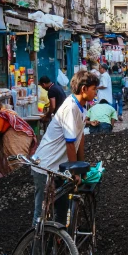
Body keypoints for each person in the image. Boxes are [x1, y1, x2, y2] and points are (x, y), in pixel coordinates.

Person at [30, 71, 99, 225]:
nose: (96, 93)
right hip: (45, 167)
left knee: (61, 211)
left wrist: (82, 169)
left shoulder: (81, 109)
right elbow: (70, 143)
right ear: (83, 89)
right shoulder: (70, 108)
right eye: (94, 89)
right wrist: (74, 171)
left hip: (59, 169)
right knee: (41, 215)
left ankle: (58, 245)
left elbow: (79, 140)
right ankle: (36, 249)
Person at [0, 101, 38, 175]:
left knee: (16, 158)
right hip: (26, 134)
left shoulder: (0, 116)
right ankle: (23, 175)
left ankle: (22, 176)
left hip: (17, 136)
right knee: (22, 157)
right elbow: (0, 125)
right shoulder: (5, 111)